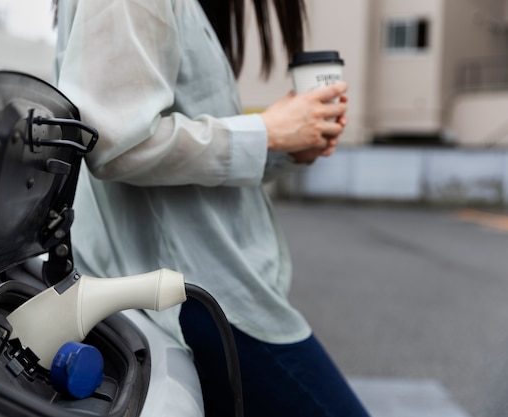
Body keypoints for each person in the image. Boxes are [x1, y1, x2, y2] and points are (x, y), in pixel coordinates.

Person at [52, 0, 371, 416]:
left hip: (205, 290)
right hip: (195, 296)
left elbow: (177, 144)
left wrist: (285, 145)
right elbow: (116, 144)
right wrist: (267, 132)